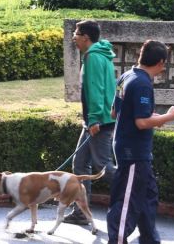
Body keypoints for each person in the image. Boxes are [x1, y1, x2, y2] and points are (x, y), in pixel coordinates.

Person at [107, 40, 174, 244]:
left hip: (129, 147)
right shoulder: (143, 83)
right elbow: (141, 122)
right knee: (127, 201)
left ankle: (150, 239)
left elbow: (115, 112)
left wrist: (157, 118)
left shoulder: (126, 76)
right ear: (160, 62)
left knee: (148, 198)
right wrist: (170, 117)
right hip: (134, 151)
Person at [62, 20, 117, 227]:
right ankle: (81, 212)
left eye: (76, 33)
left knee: (104, 167)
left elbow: (96, 89)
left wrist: (94, 119)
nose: (73, 37)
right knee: (79, 164)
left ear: (86, 37)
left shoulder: (93, 57)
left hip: (98, 121)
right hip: (96, 120)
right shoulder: (100, 54)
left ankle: (136, 195)